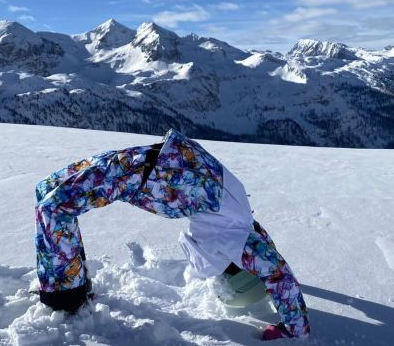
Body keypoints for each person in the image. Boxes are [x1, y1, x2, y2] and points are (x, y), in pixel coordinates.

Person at [35, 128, 310, 340]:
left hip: (159, 162)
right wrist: (295, 329)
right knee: (54, 207)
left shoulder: (244, 221)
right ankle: (67, 299)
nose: (216, 282)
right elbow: (278, 273)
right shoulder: (234, 240)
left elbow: (271, 256)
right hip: (149, 174)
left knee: (47, 190)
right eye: (223, 283)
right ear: (237, 270)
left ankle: (74, 284)